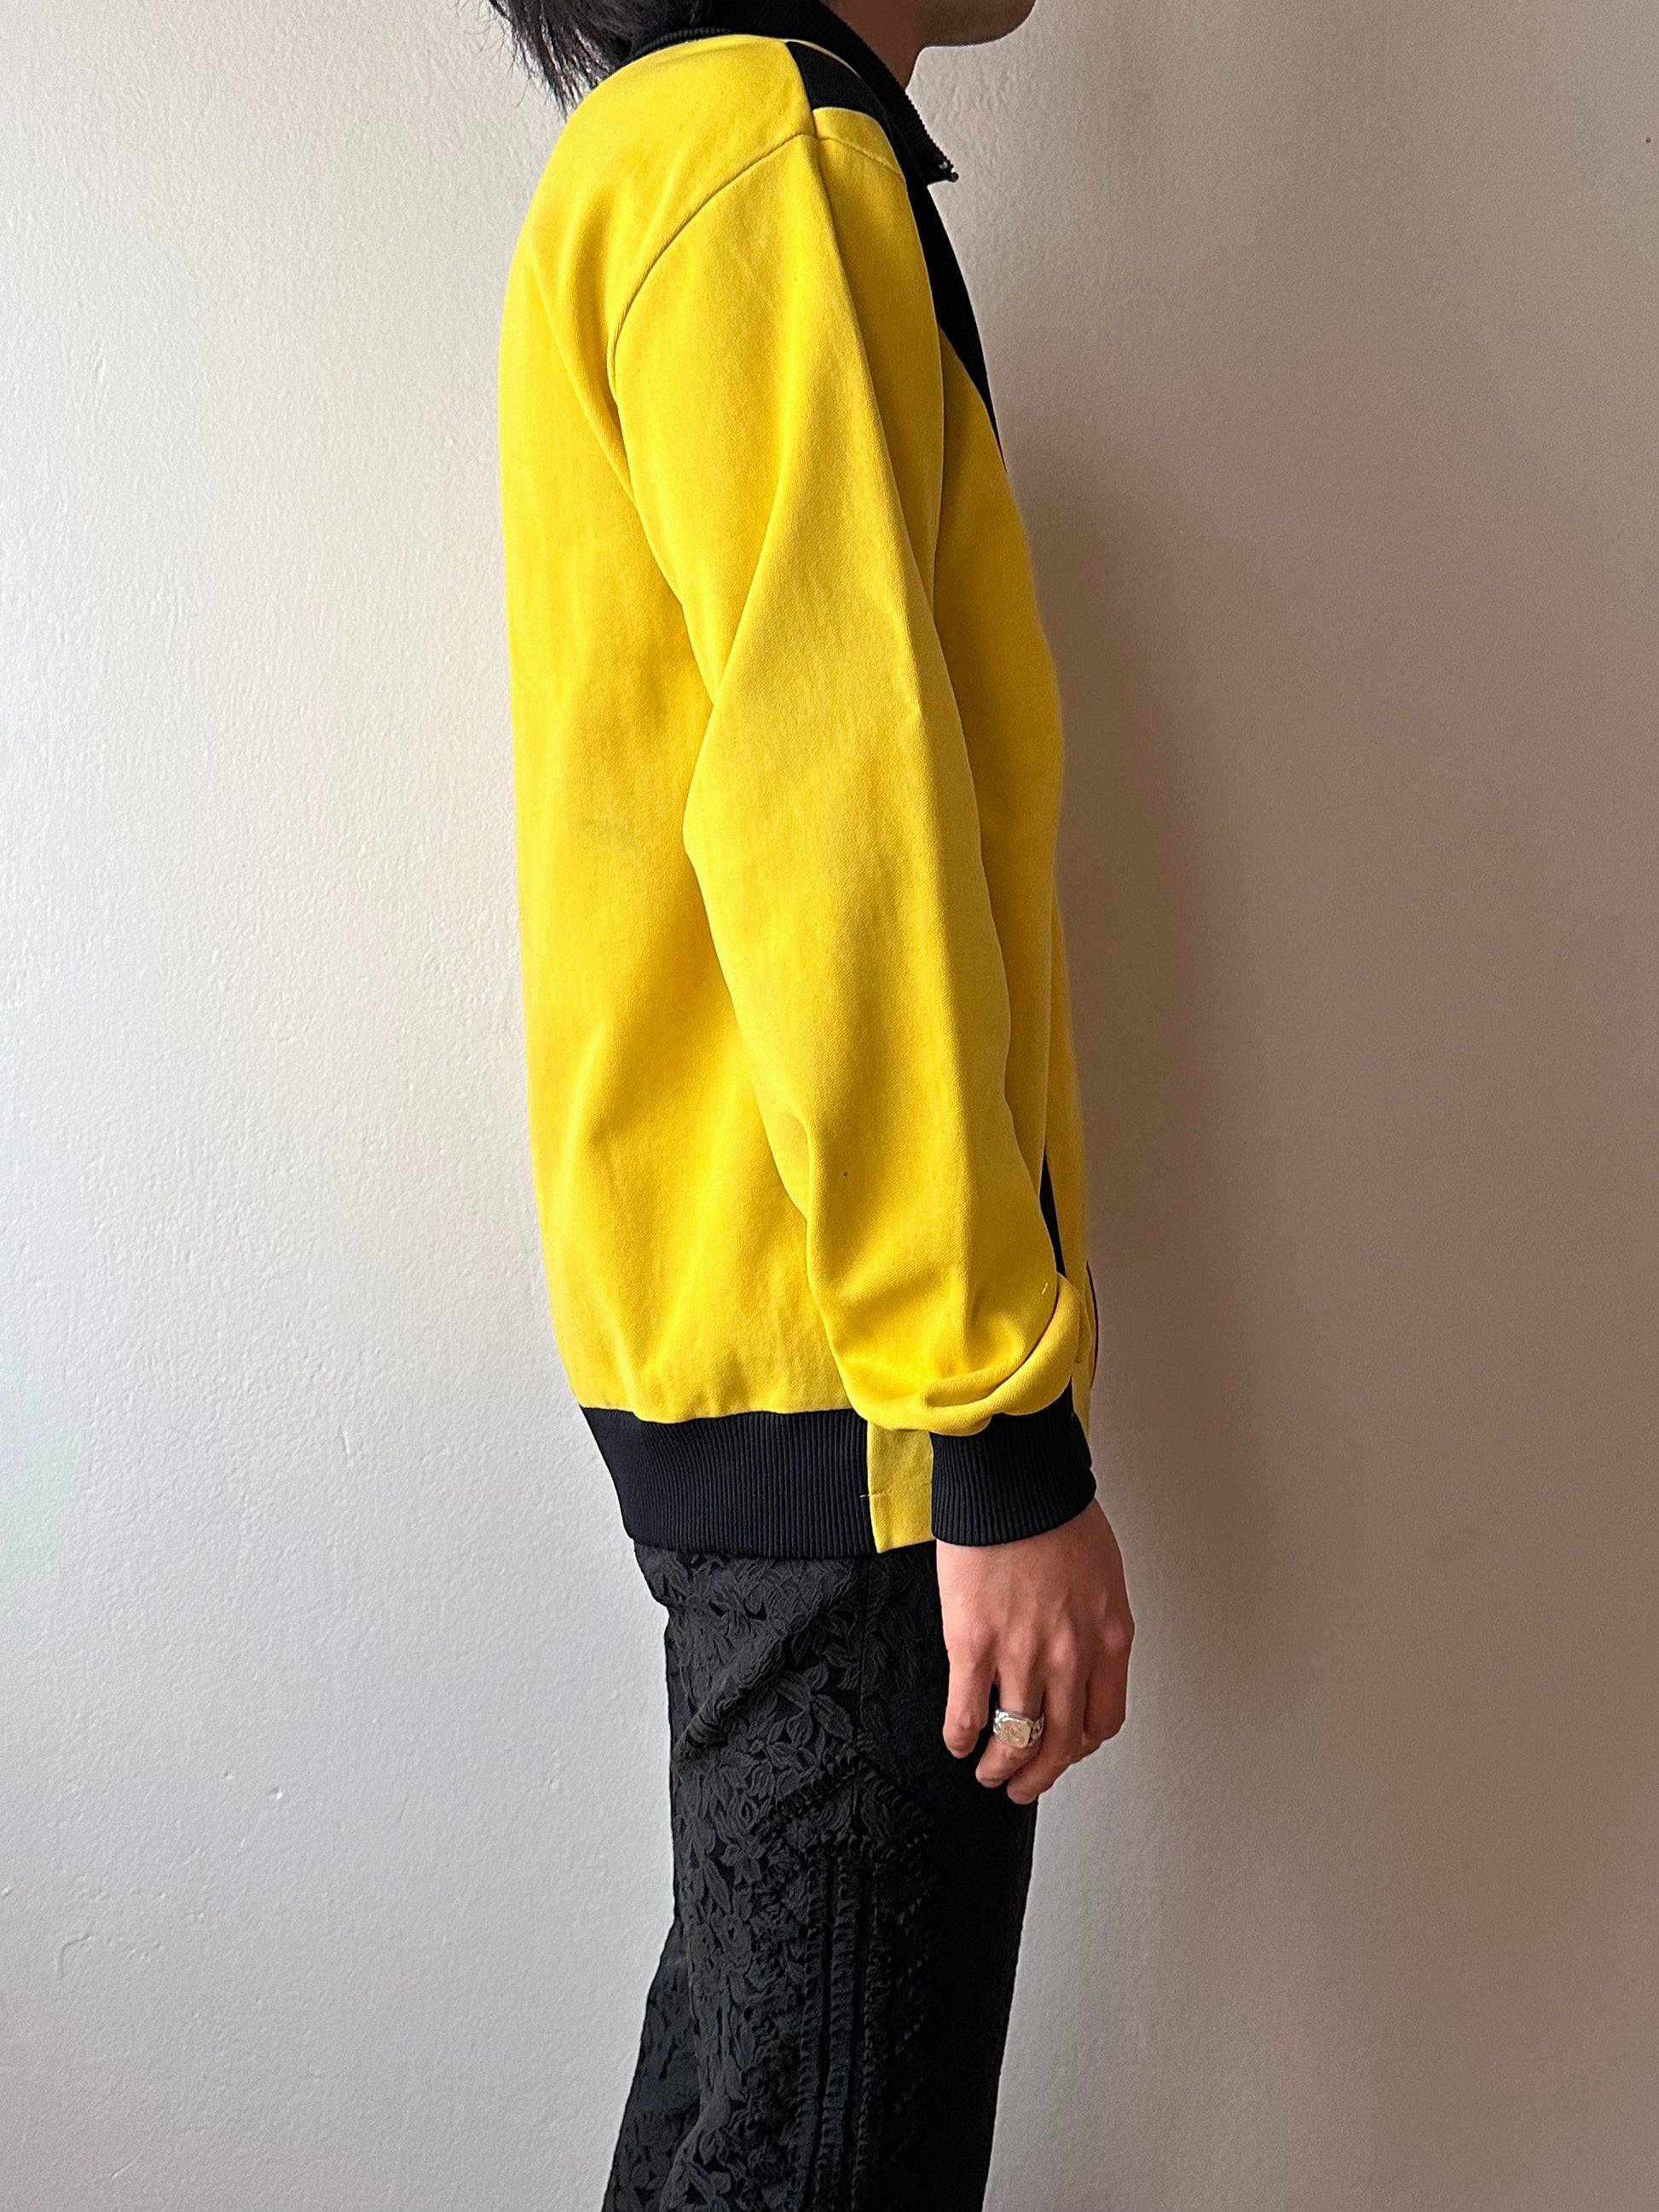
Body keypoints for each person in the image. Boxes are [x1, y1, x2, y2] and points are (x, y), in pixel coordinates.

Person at [491, 0, 1135, 2198]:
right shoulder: (759, 155)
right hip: (858, 1401)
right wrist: (995, 1434)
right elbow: (838, 843)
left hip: (766, 1355)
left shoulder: (690, 149)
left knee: (751, 2129)